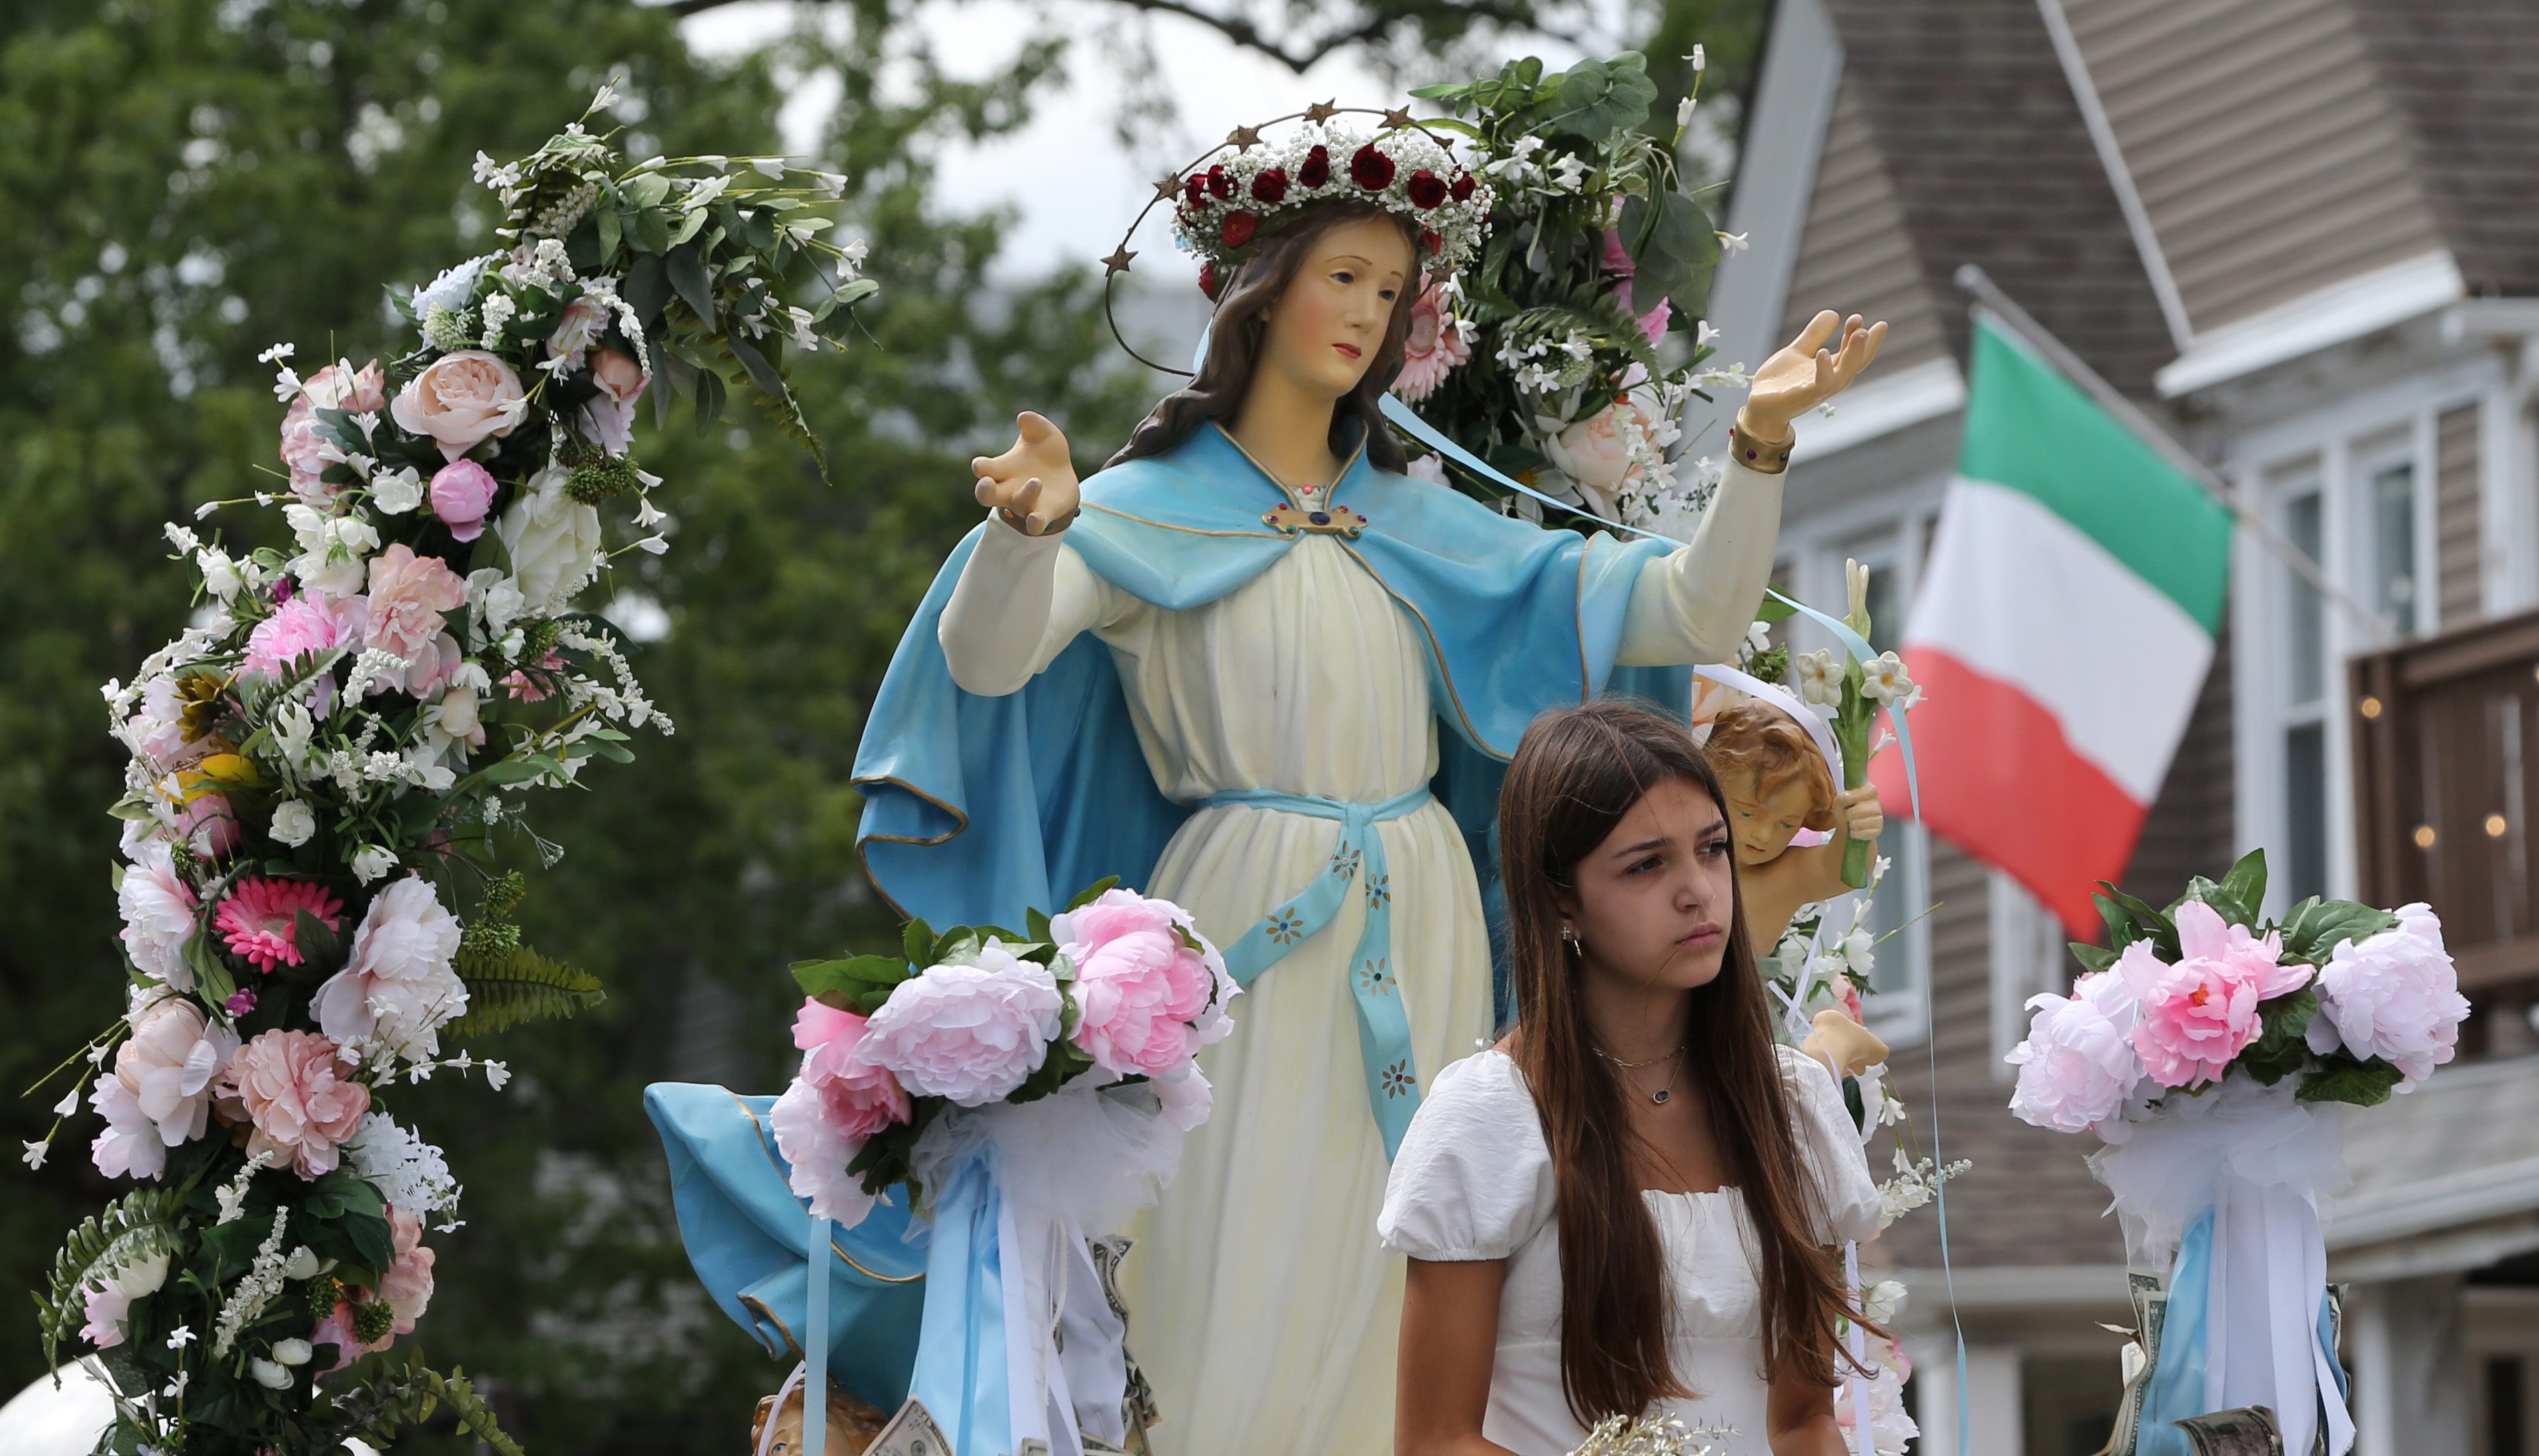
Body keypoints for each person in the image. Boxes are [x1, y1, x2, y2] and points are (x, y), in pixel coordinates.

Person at [853, 151, 1886, 1450]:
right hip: (1231, 937)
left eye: (1390, 290)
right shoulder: (1134, 514)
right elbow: (989, 658)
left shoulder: (1419, 526)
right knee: (1212, 1259)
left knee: (1402, 1260)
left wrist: (1760, 442)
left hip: (1428, 923)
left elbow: (1690, 608)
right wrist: (1023, 540)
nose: (1363, 313)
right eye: (1340, 276)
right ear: (1256, 293)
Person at [1382, 699, 1882, 1456]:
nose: (1697, 890)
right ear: (1558, 897)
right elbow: (1436, 1439)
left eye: (1711, 848)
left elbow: (1802, 1421)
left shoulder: (1789, 1104)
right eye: (1646, 863)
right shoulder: (1493, 1113)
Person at [1703, 698, 1884, 950]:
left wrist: (1856, 827)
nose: (1763, 835)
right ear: (1712, 784)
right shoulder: (1676, 846)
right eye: (1747, 813)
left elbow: (1848, 871)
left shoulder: (1784, 876)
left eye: (1787, 825)